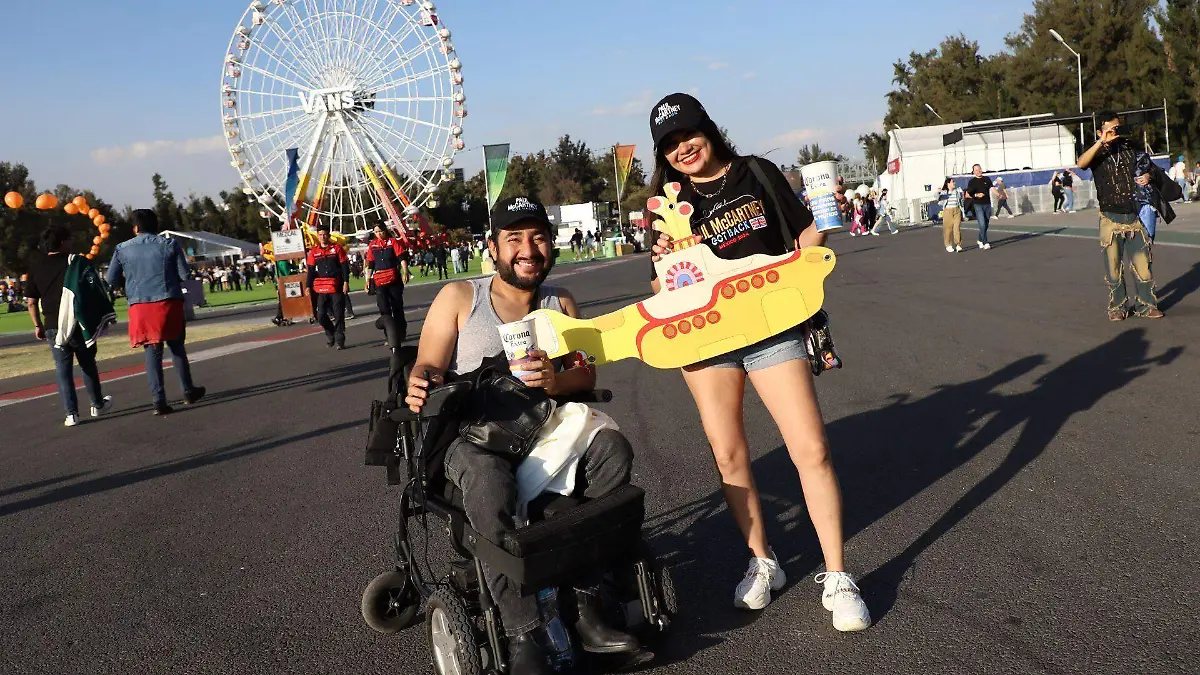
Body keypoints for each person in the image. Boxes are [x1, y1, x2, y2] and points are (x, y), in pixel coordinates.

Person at [645, 93, 870, 630]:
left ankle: (838, 576)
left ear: (709, 129)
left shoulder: (757, 174)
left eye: (689, 134)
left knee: (810, 448)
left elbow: (802, 240)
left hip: (772, 329)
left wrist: (828, 224)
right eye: (670, 144)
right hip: (705, 340)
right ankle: (763, 560)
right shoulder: (665, 202)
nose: (683, 148)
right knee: (728, 455)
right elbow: (660, 288)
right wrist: (661, 264)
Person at [406, 195, 641, 674]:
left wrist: (557, 381)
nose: (527, 249)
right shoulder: (461, 298)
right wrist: (421, 379)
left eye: (537, 238)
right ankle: (523, 633)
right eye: (514, 239)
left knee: (613, 449)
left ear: (550, 245)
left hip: (546, 430)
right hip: (474, 435)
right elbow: (427, 364)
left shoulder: (561, 302)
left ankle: (586, 605)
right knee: (488, 481)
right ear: (493, 248)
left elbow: (587, 376)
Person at [107, 210, 206, 415]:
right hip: (168, 300)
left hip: (140, 304)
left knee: (152, 352)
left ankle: (158, 399)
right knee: (177, 347)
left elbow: (111, 278)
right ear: (156, 226)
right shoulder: (169, 244)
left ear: (135, 228)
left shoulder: (122, 249)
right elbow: (184, 274)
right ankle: (188, 390)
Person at [1077, 110, 1164, 321]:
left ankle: (1146, 304)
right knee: (1113, 268)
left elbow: (1150, 168)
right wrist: (1101, 142)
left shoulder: (1131, 148)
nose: (1114, 132)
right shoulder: (1096, 153)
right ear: (1100, 131)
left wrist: (1146, 176)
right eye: (1109, 129)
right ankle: (1118, 306)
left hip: (1134, 217)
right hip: (1110, 218)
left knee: (1144, 266)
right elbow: (1081, 164)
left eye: (1116, 127)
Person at [25, 226, 116, 427]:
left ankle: (71, 414)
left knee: (62, 370)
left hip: (52, 325)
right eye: (70, 239)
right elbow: (92, 290)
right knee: (87, 364)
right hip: (78, 323)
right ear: (63, 242)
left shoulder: (36, 267)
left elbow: (31, 301)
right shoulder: (75, 263)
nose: (72, 242)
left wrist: (37, 324)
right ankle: (97, 404)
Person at [366, 223, 411, 349]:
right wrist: (368, 279)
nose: (379, 234)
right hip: (379, 281)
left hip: (394, 279)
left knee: (397, 307)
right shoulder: (372, 245)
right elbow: (370, 264)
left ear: (385, 231)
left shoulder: (392, 242)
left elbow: (402, 257)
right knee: (383, 308)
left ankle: (401, 332)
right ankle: (389, 335)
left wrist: (405, 271)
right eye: (376, 232)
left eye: (381, 231)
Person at [306, 223, 350, 348]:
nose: (323, 237)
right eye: (320, 235)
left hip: (336, 285)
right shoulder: (314, 252)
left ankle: (340, 339)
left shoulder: (337, 248)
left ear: (329, 235)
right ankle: (330, 333)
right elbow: (310, 270)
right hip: (322, 287)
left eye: (325, 234)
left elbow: (344, 266)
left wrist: (346, 282)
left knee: (338, 313)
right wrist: (308, 286)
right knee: (320, 314)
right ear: (317, 236)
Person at [966, 164, 994, 249]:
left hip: (987, 204)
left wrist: (999, 194)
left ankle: (980, 239)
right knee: (982, 224)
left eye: (979, 169)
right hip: (977, 204)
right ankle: (985, 242)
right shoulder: (972, 182)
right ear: (974, 172)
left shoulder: (987, 179)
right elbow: (967, 195)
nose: (978, 171)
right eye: (976, 170)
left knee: (986, 224)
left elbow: (992, 188)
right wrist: (976, 195)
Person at [940, 177, 965, 253]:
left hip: (957, 210)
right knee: (948, 229)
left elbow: (961, 200)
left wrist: (962, 195)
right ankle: (948, 245)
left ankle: (958, 244)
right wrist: (939, 193)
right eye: (952, 182)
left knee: (957, 228)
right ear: (948, 184)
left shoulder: (957, 191)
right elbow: (939, 201)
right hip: (948, 211)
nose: (954, 183)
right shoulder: (944, 192)